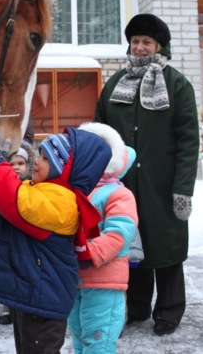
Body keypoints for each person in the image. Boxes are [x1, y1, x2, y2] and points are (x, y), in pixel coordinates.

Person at [94, 13, 200, 335]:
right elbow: (100, 135)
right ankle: (136, 306)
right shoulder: (115, 84)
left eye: (146, 42)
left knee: (166, 248)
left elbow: (188, 141)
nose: (139, 47)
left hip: (162, 185)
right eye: (135, 41)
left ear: (158, 46)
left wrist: (183, 189)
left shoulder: (177, 84)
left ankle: (168, 311)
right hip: (122, 186)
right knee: (129, 245)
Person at [0, 127, 111, 354]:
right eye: (39, 154)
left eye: (46, 158)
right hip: (32, 295)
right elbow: (1, 206)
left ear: (66, 169)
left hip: (44, 301)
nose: (36, 161)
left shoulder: (63, 201)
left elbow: (13, 202)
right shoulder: (38, 190)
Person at [68, 122, 139, 353]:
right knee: (79, 336)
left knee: (99, 340)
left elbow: (120, 232)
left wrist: (91, 252)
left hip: (104, 280)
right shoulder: (74, 191)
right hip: (74, 278)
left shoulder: (118, 193)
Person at [0, 141, 37, 325]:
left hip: (24, 241)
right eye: (11, 164)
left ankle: (23, 306)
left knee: (23, 273)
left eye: (20, 164)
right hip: (4, 240)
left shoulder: (32, 187)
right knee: (6, 273)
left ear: (29, 165)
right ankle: (6, 307)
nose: (16, 168)